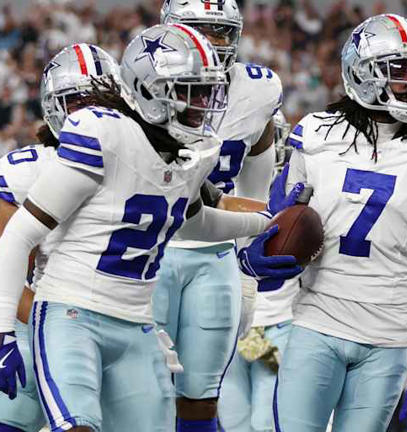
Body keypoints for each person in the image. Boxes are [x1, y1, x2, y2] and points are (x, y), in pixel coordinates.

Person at [0, 24, 287, 432]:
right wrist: (2, 332)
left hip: (136, 323)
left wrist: (264, 225)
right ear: (147, 89)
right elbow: (18, 237)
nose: (203, 104)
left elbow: (191, 221)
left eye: (207, 91)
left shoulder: (186, 153)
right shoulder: (102, 133)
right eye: (189, 91)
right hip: (72, 314)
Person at [255, 14, 407, 432]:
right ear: (361, 72)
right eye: (400, 70)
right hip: (315, 324)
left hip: (388, 338)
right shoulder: (316, 134)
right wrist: (254, 257)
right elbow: (278, 220)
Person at [156, 3, 286, 429]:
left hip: (221, 260)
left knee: (208, 398)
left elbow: (256, 195)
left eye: (222, 30)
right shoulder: (142, 82)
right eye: (202, 29)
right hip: (154, 250)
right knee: (148, 390)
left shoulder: (259, 92)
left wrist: (248, 268)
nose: (214, 41)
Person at [0, 44, 122, 432]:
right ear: (55, 107)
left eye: (102, 101)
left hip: (123, 323)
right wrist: (53, 325)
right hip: (43, 319)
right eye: (79, 101)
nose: (92, 112)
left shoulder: (139, 162)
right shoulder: (28, 170)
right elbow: (6, 269)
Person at [217, 110, 299, 432]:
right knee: (233, 422)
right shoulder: (223, 188)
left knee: (269, 422)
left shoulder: (301, 193)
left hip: (276, 326)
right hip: (232, 326)